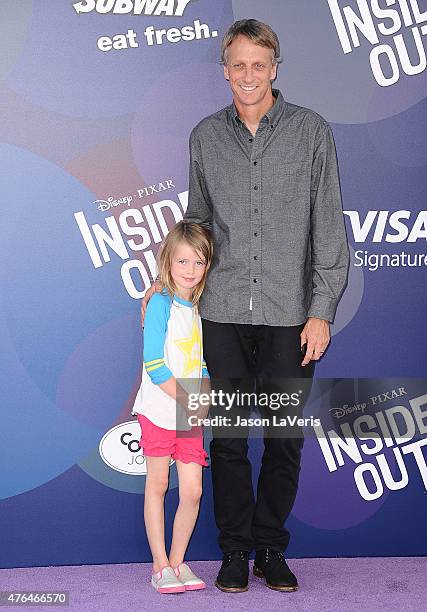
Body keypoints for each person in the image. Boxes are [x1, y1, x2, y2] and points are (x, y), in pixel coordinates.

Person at [142, 19, 349, 593]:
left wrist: (321, 309)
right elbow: (197, 227)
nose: (249, 75)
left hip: (291, 315)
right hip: (223, 313)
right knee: (226, 440)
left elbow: (329, 229)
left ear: (275, 67)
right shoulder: (205, 136)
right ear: (226, 70)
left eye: (260, 64)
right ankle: (234, 552)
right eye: (239, 65)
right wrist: (167, 284)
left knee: (284, 441)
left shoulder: (311, 132)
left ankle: (269, 550)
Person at [132, 220, 213, 594]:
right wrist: (188, 398)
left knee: (193, 490)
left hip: (189, 413)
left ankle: (179, 562)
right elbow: (154, 363)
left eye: (199, 263)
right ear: (168, 261)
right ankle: (159, 565)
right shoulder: (160, 303)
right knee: (159, 484)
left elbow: (201, 361)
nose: (190, 271)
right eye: (183, 262)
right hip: (159, 409)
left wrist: (205, 394)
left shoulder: (200, 309)